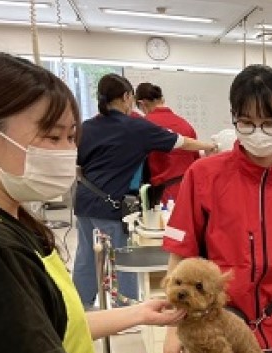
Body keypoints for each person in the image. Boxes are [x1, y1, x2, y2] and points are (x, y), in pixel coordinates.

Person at [0, 52, 183, 353]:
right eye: (52, 137)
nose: (66, 152)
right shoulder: (0, 249)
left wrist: (137, 313)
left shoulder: (18, 224)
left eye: (71, 138)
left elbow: (45, 331)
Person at [162, 65, 272, 353]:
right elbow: (181, 253)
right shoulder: (203, 177)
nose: (258, 133)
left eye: (269, 123)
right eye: (246, 123)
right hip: (214, 324)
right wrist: (172, 327)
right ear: (234, 119)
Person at [73, 74, 217, 309]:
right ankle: (126, 310)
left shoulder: (87, 127)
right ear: (127, 97)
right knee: (122, 259)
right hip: (110, 206)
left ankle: (79, 307)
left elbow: (77, 163)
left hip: (84, 201)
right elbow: (180, 142)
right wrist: (210, 146)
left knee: (86, 257)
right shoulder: (136, 126)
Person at [135, 82, 199, 206]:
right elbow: (196, 161)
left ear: (142, 104)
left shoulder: (145, 126)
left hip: (162, 196)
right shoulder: (185, 125)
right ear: (162, 99)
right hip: (189, 192)